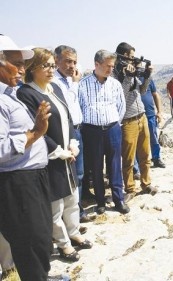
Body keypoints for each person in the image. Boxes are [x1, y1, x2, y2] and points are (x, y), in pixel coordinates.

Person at [0, 35, 69, 281]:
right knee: (28, 241)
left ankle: (40, 276)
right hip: (17, 183)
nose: (22, 69)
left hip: (34, 178)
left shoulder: (11, 94)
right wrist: (35, 133)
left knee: (39, 237)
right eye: (15, 63)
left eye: (23, 63)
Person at [17, 48, 93, 263]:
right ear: (32, 68)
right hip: (49, 158)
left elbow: (67, 118)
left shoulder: (55, 88)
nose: (51, 70)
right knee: (55, 204)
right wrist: (59, 151)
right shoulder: (27, 93)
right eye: (46, 65)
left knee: (71, 198)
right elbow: (35, 129)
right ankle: (63, 245)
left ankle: (74, 232)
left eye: (52, 65)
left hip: (67, 153)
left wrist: (72, 144)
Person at [78, 49, 129, 214]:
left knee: (115, 165)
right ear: (96, 64)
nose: (110, 69)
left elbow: (121, 106)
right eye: (107, 66)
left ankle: (118, 200)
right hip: (92, 131)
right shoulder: (83, 84)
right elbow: (79, 107)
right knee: (96, 166)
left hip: (113, 129)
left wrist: (113, 123)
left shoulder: (114, 84)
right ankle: (100, 201)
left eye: (112, 66)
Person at [53, 45, 96, 224]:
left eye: (75, 62)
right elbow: (66, 103)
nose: (72, 66)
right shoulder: (54, 82)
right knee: (69, 175)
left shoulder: (71, 80)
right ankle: (70, 216)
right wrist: (76, 83)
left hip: (78, 130)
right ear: (56, 61)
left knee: (79, 174)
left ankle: (76, 213)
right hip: (65, 133)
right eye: (68, 61)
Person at [113, 42, 157, 202]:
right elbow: (121, 97)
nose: (133, 60)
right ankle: (130, 188)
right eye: (131, 57)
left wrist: (146, 76)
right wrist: (127, 78)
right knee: (128, 158)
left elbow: (142, 90)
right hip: (128, 120)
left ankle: (146, 183)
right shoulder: (116, 73)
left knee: (145, 154)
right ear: (123, 56)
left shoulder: (131, 71)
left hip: (141, 116)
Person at [141, 78, 166, 168]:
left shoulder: (148, 79)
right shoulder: (131, 78)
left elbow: (155, 95)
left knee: (154, 138)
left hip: (150, 114)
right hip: (136, 116)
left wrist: (159, 112)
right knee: (137, 141)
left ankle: (156, 158)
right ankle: (137, 167)